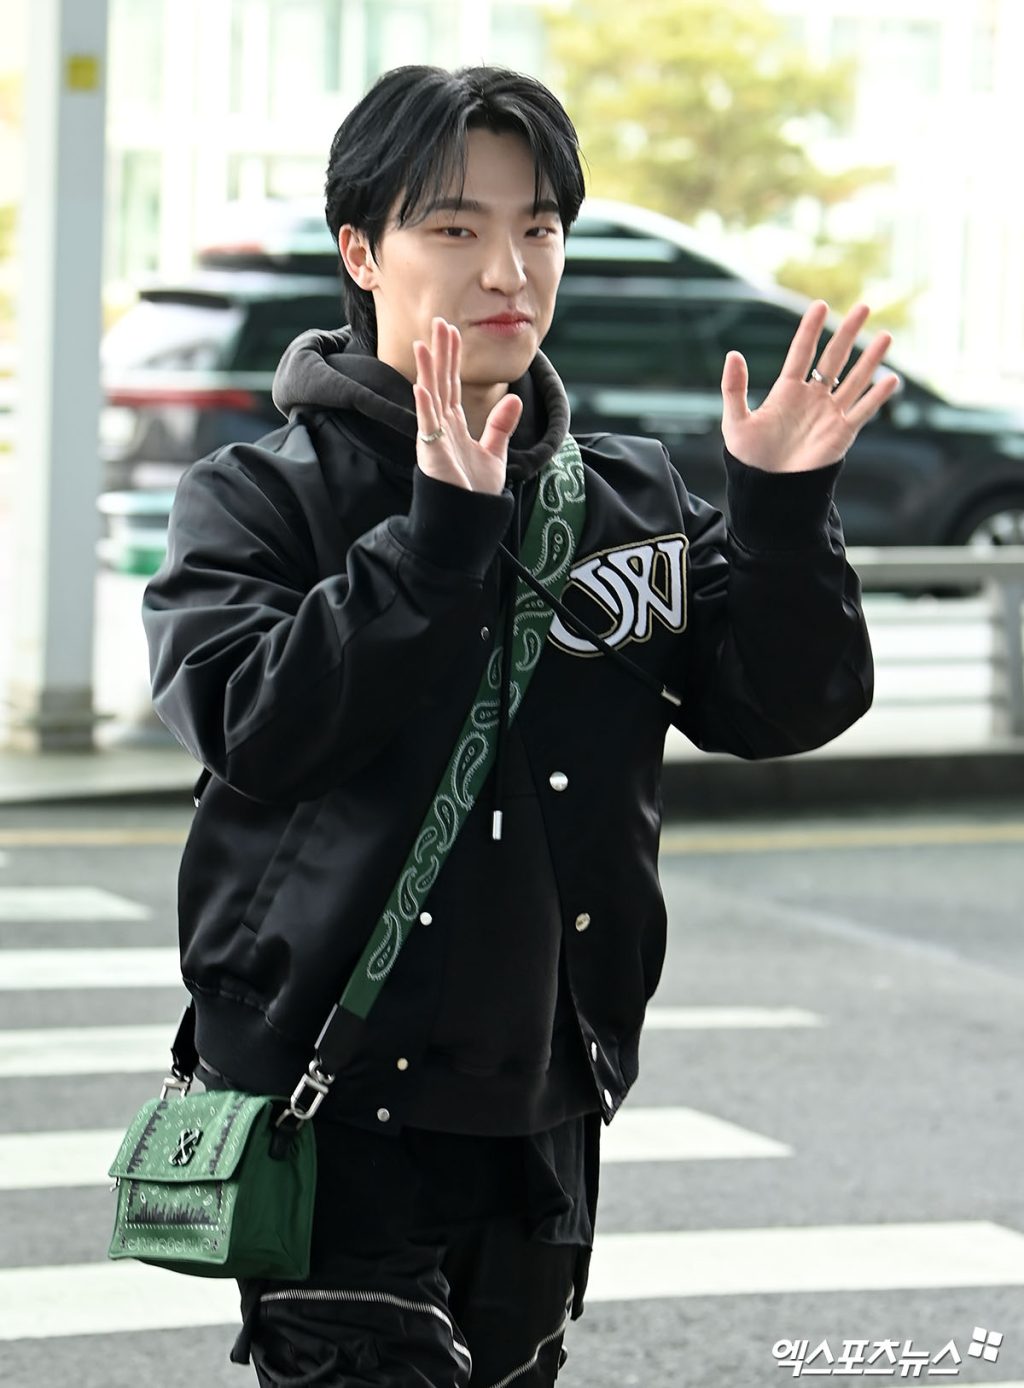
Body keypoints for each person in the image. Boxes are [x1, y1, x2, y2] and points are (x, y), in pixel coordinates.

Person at [142, 63, 894, 1388]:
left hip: (544, 1107)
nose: (508, 270)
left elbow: (783, 706)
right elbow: (256, 728)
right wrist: (436, 541)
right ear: (361, 253)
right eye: (456, 228)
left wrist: (778, 513)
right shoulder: (259, 497)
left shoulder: (624, 497)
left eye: (538, 228)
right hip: (330, 1109)